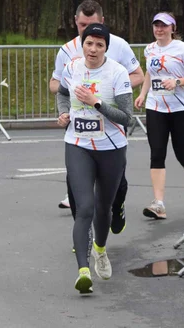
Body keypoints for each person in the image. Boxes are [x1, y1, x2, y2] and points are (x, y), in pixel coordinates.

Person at [55, 23, 134, 293]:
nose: (93, 49)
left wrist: (95, 102)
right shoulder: (72, 68)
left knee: (104, 208)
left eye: (99, 45)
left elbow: (126, 118)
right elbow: (62, 93)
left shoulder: (117, 73)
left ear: (106, 48)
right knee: (84, 207)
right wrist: (63, 113)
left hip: (111, 147)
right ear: (82, 44)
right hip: (77, 145)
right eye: (89, 43)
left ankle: (100, 250)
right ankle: (83, 271)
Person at [50, 0, 143, 230]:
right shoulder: (67, 50)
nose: (87, 33)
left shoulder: (118, 45)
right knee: (74, 181)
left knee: (115, 183)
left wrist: (109, 92)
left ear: (102, 22)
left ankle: (117, 206)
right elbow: (55, 85)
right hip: (80, 127)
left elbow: (138, 75)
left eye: (91, 25)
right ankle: (82, 232)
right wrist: (72, 91)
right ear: (75, 22)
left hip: (110, 123)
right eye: (82, 26)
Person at [134, 12, 184, 220]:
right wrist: (143, 93)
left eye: (164, 26)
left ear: (172, 29)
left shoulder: (182, 49)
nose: (159, 29)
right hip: (156, 107)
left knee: (181, 152)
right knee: (157, 153)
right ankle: (159, 204)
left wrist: (177, 82)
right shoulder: (150, 49)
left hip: (181, 108)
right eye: (156, 25)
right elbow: (149, 73)